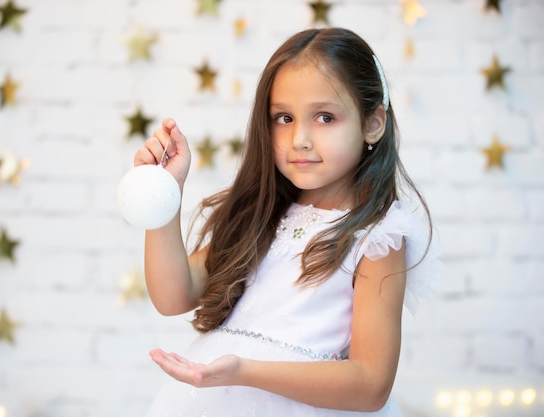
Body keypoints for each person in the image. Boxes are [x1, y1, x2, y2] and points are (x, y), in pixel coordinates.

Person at [133, 27, 442, 416]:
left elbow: (370, 384)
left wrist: (246, 370)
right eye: (283, 117)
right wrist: (164, 195)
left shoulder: (376, 239)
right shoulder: (262, 216)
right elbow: (172, 294)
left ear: (373, 123)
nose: (299, 138)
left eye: (325, 117)